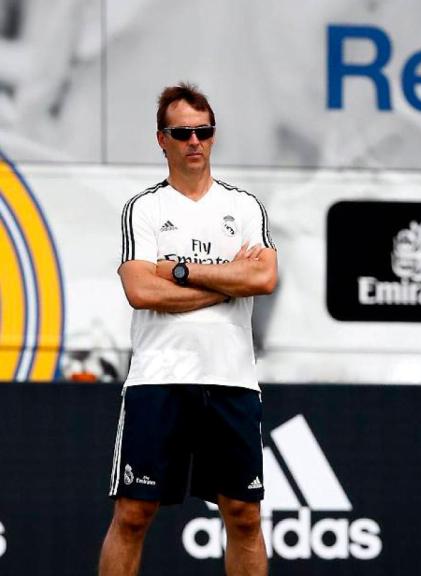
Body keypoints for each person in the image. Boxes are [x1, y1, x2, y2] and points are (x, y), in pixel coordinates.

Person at [98, 82, 277, 576]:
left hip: (231, 379)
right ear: (162, 139)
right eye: (182, 132)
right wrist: (227, 284)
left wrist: (178, 270)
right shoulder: (145, 208)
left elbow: (263, 276)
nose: (194, 141)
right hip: (160, 376)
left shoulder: (244, 207)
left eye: (204, 131)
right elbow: (141, 292)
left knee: (244, 516)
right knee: (133, 514)